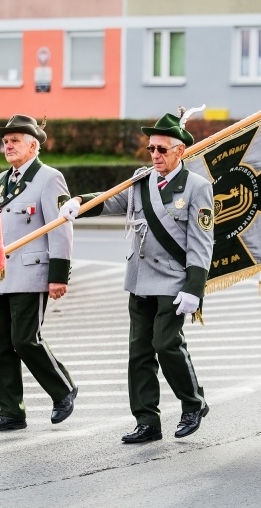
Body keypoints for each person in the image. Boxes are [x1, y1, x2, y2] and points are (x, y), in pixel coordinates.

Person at [59, 111, 212, 443]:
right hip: (140, 277)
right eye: (151, 149)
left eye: (162, 149)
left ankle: (192, 403)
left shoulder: (197, 187)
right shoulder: (141, 180)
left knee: (166, 343)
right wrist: (79, 203)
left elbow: (202, 242)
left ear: (180, 151)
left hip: (173, 280)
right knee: (139, 351)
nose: (155, 155)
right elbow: (112, 201)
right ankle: (147, 419)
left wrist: (194, 288)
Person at [0, 115, 77, 432]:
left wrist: (59, 274)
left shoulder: (49, 178)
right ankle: (11, 411)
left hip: (31, 273)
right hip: (0, 276)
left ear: (33, 145)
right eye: (5, 141)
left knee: (25, 340)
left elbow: (61, 227)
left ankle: (63, 389)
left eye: (15, 141)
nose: (8, 146)